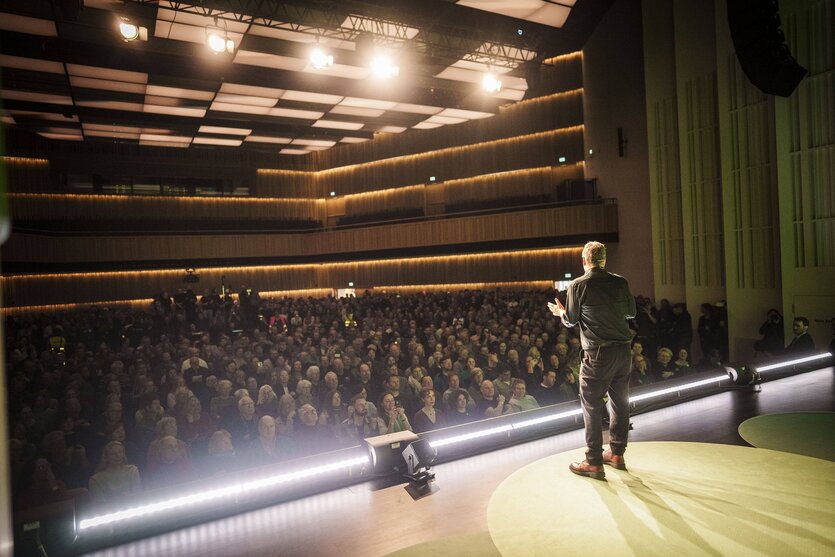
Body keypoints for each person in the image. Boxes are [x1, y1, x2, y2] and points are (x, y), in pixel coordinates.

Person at [548, 241, 635, 480]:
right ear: (604, 260)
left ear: (584, 261)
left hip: (598, 354)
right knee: (620, 403)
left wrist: (560, 313)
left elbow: (571, 319)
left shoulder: (578, 284)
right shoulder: (620, 282)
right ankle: (617, 453)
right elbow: (631, 313)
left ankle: (594, 461)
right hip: (623, 351)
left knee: (592, 405)